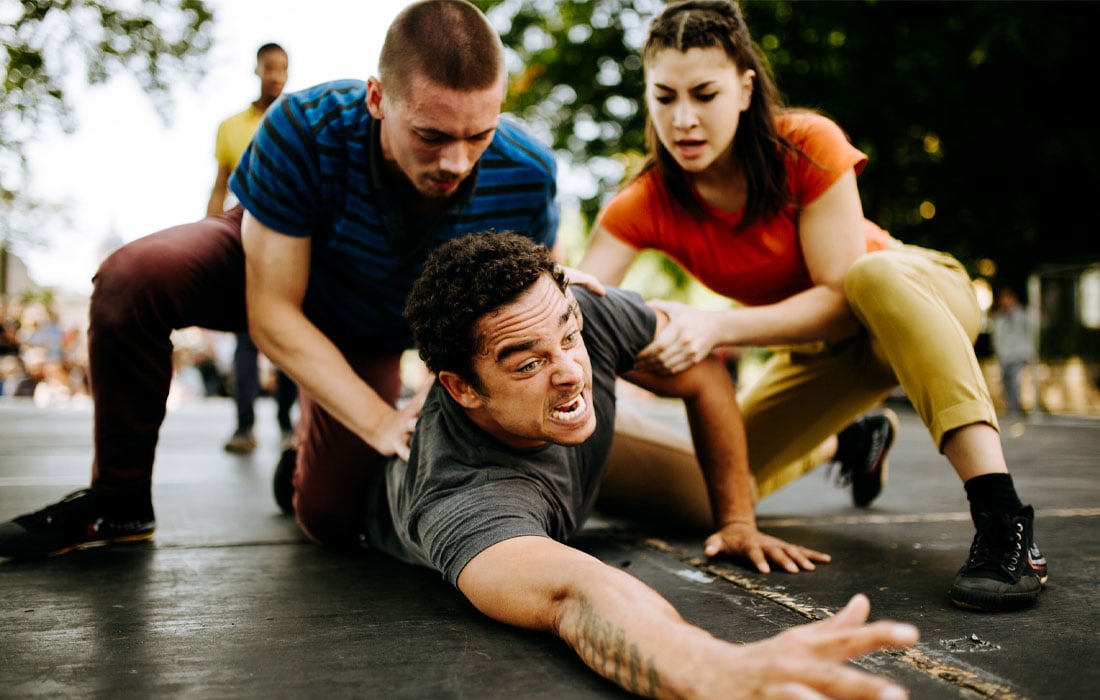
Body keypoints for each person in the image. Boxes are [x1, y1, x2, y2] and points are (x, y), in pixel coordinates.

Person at [0, 0, 561, 559]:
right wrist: (377, 419)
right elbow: (271, 315)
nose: (457, 163)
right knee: (133, 278)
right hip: (269, 266)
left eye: (478, 135)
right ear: (376, 99)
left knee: (332, 519)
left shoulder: (527, 173)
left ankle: (303, 456)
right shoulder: (303, 126)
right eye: (431, 135)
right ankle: (117, 503)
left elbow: (535, 303)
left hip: (369, 323)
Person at [578, 0, 1047, 612]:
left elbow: (838, 295)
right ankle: (845, 441)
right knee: (706, 494)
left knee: (868, 275)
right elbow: (573, 303)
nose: (684, 119)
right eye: (664, 97)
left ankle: (1004, 521)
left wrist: (712, 325)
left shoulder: (805, 144)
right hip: (829, 356)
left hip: (917, 300)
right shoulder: (645, 200)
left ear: (745, 89)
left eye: (704, 94)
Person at [370, 230, 918, 699]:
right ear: (462, 388)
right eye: (531, 363)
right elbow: (579, 593)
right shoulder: (462, 500)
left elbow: (701, 372)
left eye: (569, 336)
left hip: (566, 438)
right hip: (475, 474)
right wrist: (708, 667)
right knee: (317, 503)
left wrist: (737, 521)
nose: (569, 371)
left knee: (724, 497)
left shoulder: (572, 317)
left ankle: (838, 443)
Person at [205, 41, 298, 454]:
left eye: (282, 69)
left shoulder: (300, 121)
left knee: (290, 330)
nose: (275, 75)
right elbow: (220, 185)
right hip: (246, 238)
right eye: (268, 67)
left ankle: (286, 421)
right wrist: (208, 232)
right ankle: (244, 426)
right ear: (257, 70)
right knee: (246, 336)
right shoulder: (231, 127)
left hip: (295, 240)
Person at [990, 286, 1036, 419]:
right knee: (1007, 385)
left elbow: (1032, 328)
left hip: (1019, 355)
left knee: (1017, 383)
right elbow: (997, 338)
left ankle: (1018, 412)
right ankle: (1013, 410)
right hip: (1005, 357)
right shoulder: (999, 318)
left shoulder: (1022, 315)